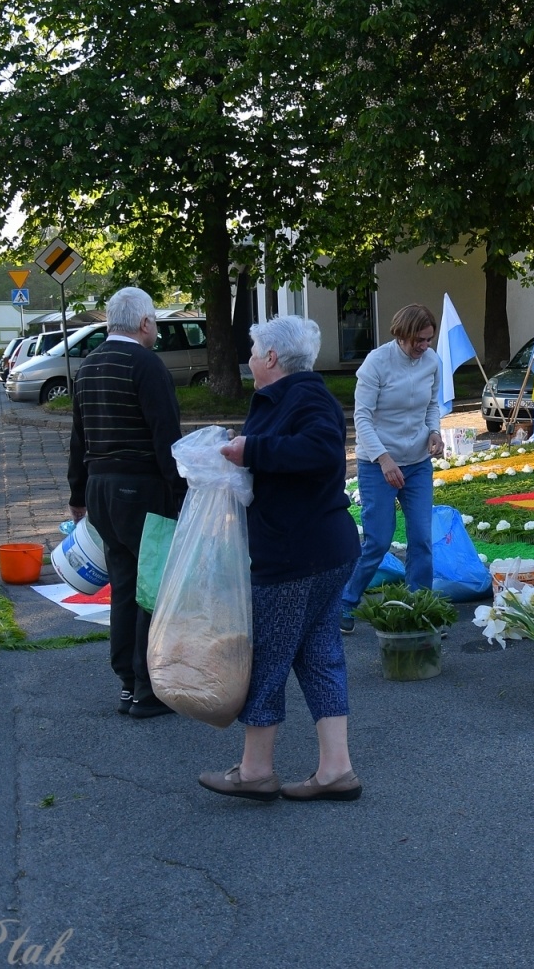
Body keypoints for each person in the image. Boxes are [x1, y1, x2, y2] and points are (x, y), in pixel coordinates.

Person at [199, 315, 363, 802]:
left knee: (268, 657)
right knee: (318, 655)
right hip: (319, 550)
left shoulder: (306, 395)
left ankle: (255, 771)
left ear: (272, 358)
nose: (249, 360)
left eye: (252, 351)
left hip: (296, 554)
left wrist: (252, 449)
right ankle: (336, 770)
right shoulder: (293, 397)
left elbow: (320, 450)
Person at [68, 287, 186, 719]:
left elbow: (78, 436)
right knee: (150, 588)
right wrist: (181, 494)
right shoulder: (146, 365)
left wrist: (77, 494)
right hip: (141, 488)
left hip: (100, 489)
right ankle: (146, 688)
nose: (154, 329)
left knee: (122, 584)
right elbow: (165, 437)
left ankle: (125, 682)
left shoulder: (89, 365)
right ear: (143, 323)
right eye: (154, 321)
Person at [339, 303, 444, 631]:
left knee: (421, 539)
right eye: (418, 340)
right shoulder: (377, 363)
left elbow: (432, 405)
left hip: (417, 464)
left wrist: (436, 432)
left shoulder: (432, 361)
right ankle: (346, 601)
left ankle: (420, 611)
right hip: (377, 464)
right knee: (379, 541)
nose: (424, 346)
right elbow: (362, 419)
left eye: (428, 340)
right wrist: (383, 459)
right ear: (402, 334)